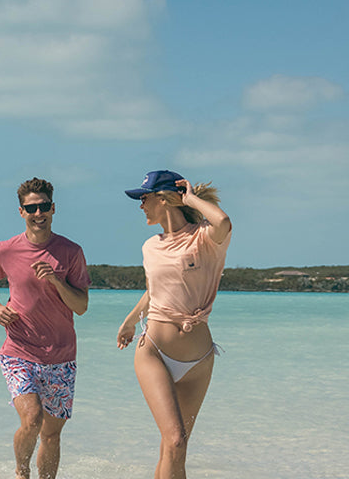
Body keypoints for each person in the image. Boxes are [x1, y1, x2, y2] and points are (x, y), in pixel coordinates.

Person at [113, 170, 230, 479]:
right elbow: (154, 291)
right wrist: (129, 322)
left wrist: (190, 199)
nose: (141, 206)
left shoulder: (204, 237)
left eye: (144, 198)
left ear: (164, 199)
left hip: (198, 360)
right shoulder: (150, 247)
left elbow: (222, 222)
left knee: (175, 448)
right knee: (175, 440)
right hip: (155, 351)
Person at [0, 177, 90, 479]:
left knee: (51, 435)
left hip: (62, 356)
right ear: (21, 212)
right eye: (31, 208)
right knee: (32, 419)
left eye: (43, 206)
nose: (38, 213)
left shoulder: (71, 252)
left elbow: (81, 306)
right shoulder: (6, 250)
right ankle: (21, 472)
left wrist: (56, 280)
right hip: (19, 351)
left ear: (53, 208)